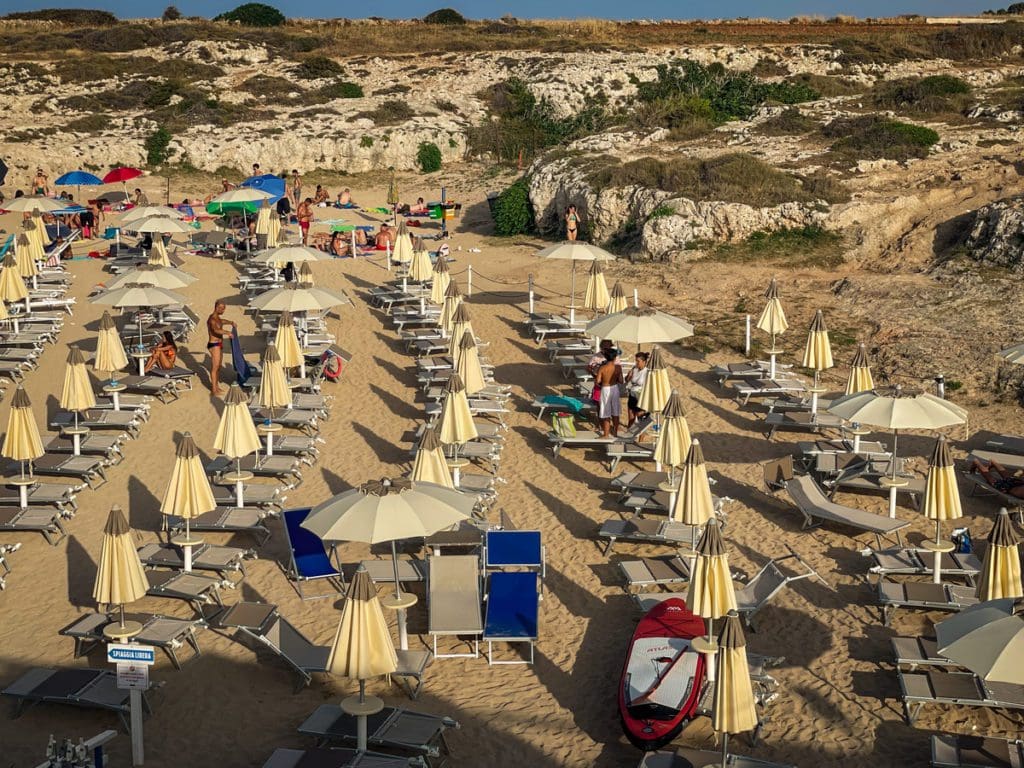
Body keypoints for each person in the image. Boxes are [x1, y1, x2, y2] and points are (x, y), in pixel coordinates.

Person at [206, 300, 233, 396]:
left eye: (223, 308)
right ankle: (214, 390)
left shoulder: (218, 318)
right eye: (221, 308)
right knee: (215, 368)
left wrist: (231, 322)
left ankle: (216, 386)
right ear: (216, 307)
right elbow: (215, 329)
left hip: (219, 345)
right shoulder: (212, 319)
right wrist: (227, 332)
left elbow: (222, 321)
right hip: (214, 345)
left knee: (219, 367)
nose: (222, 310)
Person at [595, 348, 623, 438]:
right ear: (614, 358)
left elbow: (597, 381)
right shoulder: (618, 367)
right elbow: (621, 381)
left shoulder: (602, 368)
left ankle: (606, 434)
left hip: (605, 388)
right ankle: (615, 432)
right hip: (615, 388)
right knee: (615, 411)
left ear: (606, 357)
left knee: (606, 411)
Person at [624, 352, 650, 427]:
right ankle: (629, 438)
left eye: (638, 361)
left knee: (641, 420)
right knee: (631, 419)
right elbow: (626, 380)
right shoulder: (634, 369)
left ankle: (640, 439)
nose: (636, 363)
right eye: (636, 361)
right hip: (632, 395)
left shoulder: (647, 372)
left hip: (641, 397)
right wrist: (629, 376)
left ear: (644, 362)